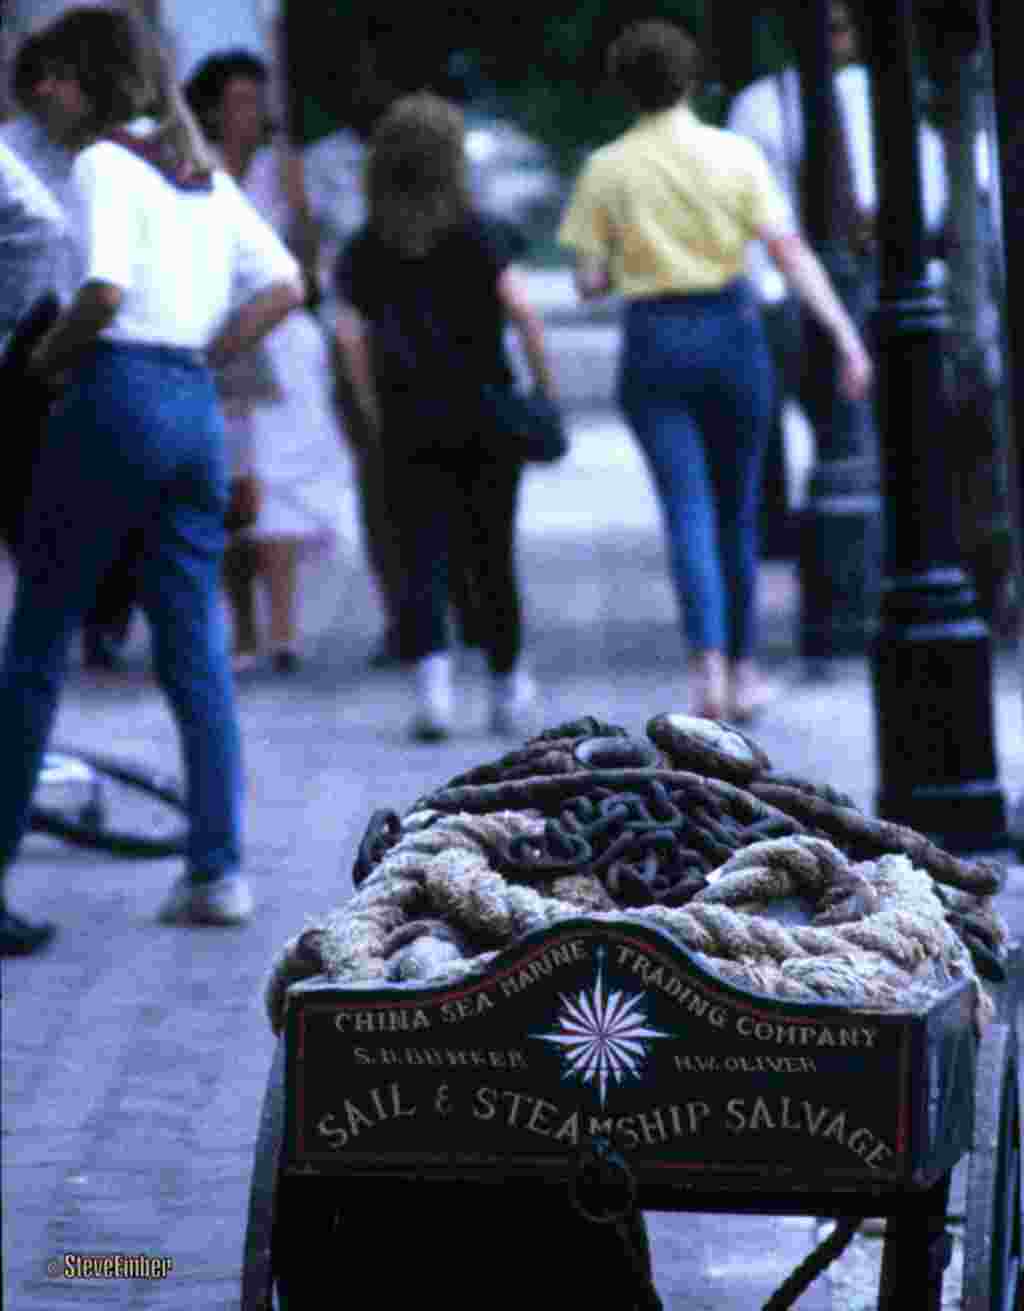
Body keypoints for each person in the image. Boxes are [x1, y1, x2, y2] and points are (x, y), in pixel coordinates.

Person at [0, 7, 304, 957]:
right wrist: (204, 357)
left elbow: (100, 290)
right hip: (190, 412)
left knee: (38, 639)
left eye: (42, 83)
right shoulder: (202, 180)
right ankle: (218, 869)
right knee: (196, 643)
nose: (34, 104)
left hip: (114, 394)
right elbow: (287, 284)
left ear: (82, 81)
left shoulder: (101, 165)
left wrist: (43, 364)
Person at [558, 20, 872, 724]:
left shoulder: (607, 168)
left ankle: (704, 670)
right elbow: (790, 254)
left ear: (625, 87)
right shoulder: (736, 156)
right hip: (733, 335)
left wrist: (625, 259)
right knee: (739, 514)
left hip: (655, 340)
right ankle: (746, 668)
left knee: (687, 512)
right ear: (691, 80)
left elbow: (586, 280)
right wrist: (846, 337)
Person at [333, 92, 556, 742]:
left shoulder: (366, 247)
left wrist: (373, 412)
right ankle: (508, 686)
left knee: (418, 554)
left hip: (408, 420)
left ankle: (434, 691)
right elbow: (524, 314)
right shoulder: (482, 234)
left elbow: (349, 338)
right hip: (485, 414)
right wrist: (542, 391)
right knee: (491, 552)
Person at [726, 0, 947, 540]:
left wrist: (903, 230)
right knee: (799, 398)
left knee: (869, 401)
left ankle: (870, 517)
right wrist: (765, 285)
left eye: (842, 26)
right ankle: (797, 520)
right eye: (822, 27)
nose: (832, 38)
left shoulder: (882, 93)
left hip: (872, 264)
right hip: (788, 271)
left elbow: (928, 174)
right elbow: (744, 194)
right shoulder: (761, 104)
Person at [184, 50, 352, 675]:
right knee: (229, 485)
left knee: (282, 478)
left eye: (258, 101)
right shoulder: (191, 168)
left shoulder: (284, 172)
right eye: (239, 102)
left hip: (277, 332)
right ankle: (245, 627)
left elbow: (307, 262)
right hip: (218, 327)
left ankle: (281, 627)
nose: (251, 115)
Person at [2, 27, 143, 670]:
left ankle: (108, 609)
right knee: (20, 481)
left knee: (112, 485)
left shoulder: (128, 152)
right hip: (27, 328)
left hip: (107, 327)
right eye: (36, 79)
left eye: (57, 78)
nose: (43, 92)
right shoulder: (13, 149)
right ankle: (53, 608)